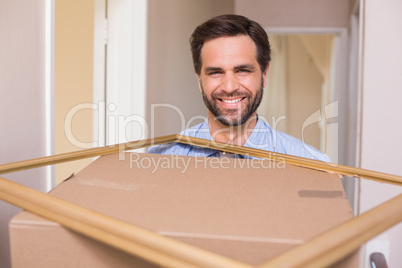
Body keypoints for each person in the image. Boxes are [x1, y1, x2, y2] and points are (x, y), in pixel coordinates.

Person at [148, 14, 330, 162]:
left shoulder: (310, 164)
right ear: (199, 80)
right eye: (216, 72)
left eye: (242, 70)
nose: (229, 87)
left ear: (265, 74)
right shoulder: (161, 158)